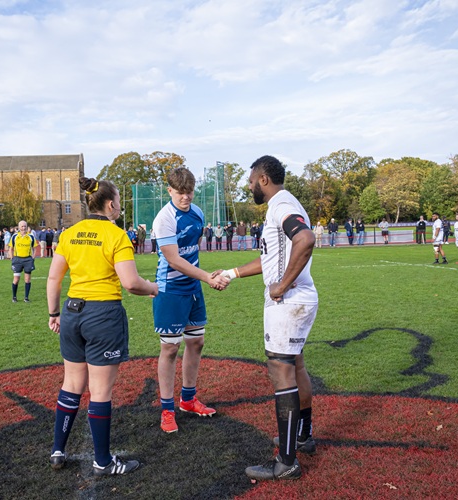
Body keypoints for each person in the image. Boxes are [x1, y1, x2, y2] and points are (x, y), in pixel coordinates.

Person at [46, 176, 157, 476]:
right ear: (110, 204)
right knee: (99, 391)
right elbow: (131, 283)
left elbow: (54, 278)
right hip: (102, 315)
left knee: (71, 384)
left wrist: (53, 313)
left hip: (71, 311)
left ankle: (58, 450)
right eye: (119, 201)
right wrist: (152, 288)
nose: (119, 206)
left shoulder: (70, 233)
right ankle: (103, 461)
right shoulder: (116, 235)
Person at [219, 155, 318, 481]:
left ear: (263, 179)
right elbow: (269, 259)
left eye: (250, 181)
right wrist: (232, 273)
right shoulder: (285, 204)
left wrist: (282, 285)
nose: (249, 186)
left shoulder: (280, 205)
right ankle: (302, 436)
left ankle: (286, 461)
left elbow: (306, 240)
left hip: (288, 302)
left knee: (280, 370)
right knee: (296, 365)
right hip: (296, 299)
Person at [152, 167, 228, 434]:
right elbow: (174, 259)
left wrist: (204, 277)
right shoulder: (164, 218)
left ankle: (187, 399)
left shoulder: (197, 213)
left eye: (189, 192)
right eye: (180, 192)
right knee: (170, 349)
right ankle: (167, 410)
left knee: (196, 342)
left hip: (193, 287)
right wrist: (208, 277)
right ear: (169, 190)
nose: (186, 197)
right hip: (170, 289)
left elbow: (193, 251)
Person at [8, 221, 39, 303]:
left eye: (25, 226)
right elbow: (10, 248)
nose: (23, 228)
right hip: (17, 260)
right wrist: (12, 258)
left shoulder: (31, 237)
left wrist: (33, 258)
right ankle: (14, 297)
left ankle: (26, 297)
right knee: (16, 279)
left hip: (28, 260)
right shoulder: (14, 236)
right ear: (18, 227)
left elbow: (35, 248)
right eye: (22, 226)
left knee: (27, 279)